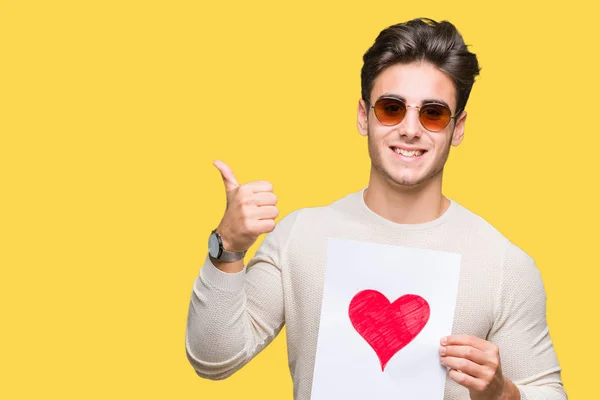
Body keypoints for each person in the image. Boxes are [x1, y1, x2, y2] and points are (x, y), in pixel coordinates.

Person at [185, 18, 566, 400]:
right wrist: (228, 247)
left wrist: (503, 394)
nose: (411, 129)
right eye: (391, 108)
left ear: (459, 126)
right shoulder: (300, 236)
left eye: (433, 113)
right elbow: (213, 358)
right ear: (362, 115)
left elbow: (549, 391)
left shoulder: (504, 266)